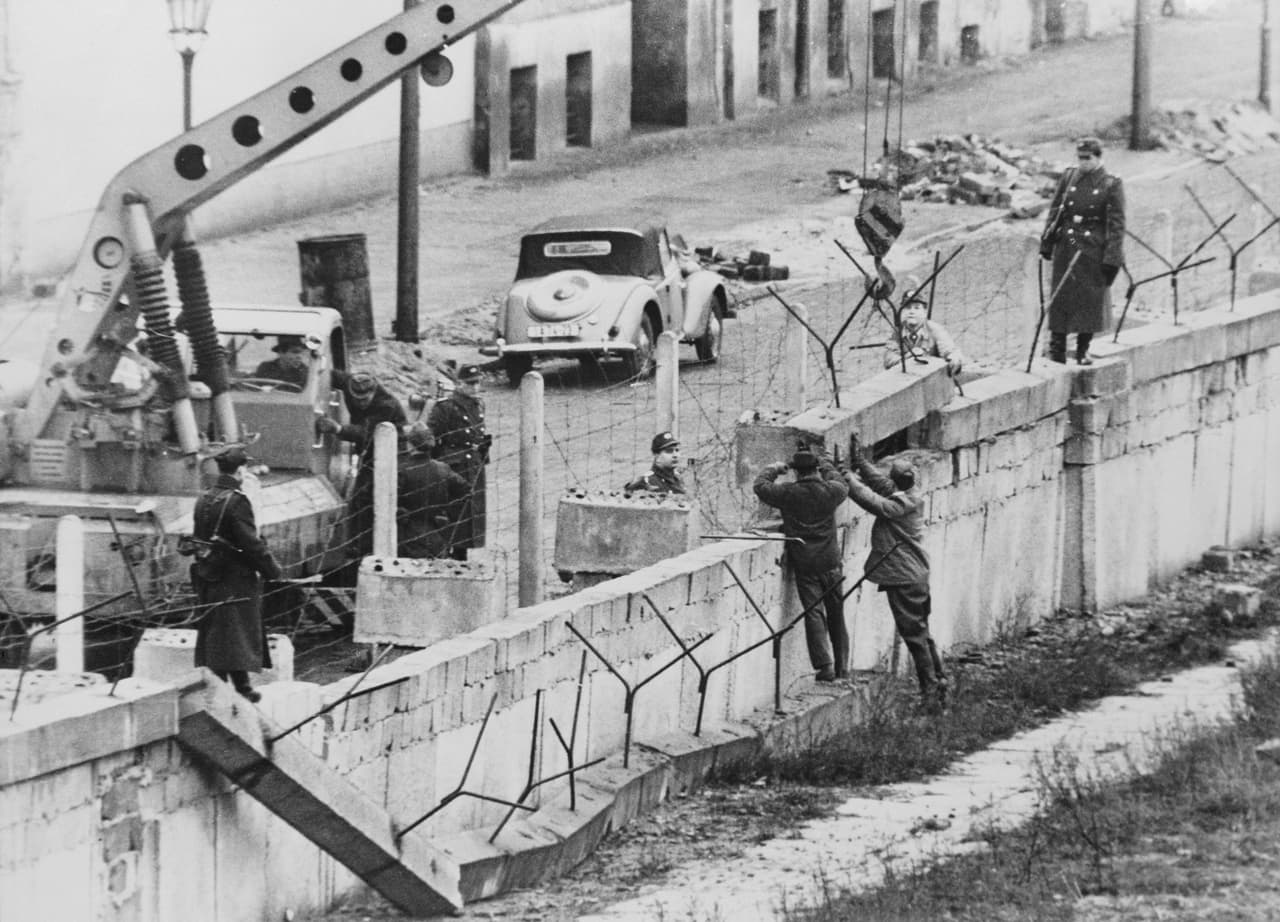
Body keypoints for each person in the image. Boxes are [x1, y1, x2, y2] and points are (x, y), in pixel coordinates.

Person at [842, 437, 946, 710]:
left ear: (897, 481)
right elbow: (881, 485)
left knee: (914, 636)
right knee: (921, 633)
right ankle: (939, 682)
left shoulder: (900, 505)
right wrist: (860, 462)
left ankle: (931, 694)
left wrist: (845, 477)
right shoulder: (909, 494)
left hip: (905, 577)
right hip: (914, 575)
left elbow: (872, 500)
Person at [189, 445, 281, 703]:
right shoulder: (238, 502)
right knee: (237, 633)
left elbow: (198, 537)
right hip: (235, 578)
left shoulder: (203, 499)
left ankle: (236, 685)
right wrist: (273, 571)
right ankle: (235, 689)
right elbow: (251, 545)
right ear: (240, 471)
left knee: (219, 632)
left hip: (209, 574)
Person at [753, 447, 852, 683]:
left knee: (814, 612)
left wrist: (774, 468)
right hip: (830, 560)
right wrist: (826, 464)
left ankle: (825, 667)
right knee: (836, 613)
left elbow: (760, 486)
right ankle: (842, 667)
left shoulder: (788, 493)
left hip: (805, 562)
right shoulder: (831, 491)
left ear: (796, 472)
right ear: (816, 469)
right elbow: (841, 482)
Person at [1039, 137, 1126, 366]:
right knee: (1061, 297)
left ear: (1098, 158)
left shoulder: (1111, 183)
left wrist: (1112, 257)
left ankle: (1082, 350)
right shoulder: (1069, 176)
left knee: (1090, 300)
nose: (1083, 162)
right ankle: (1056, 350)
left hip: (1092, 248)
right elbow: (1056, 210)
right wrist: (1047, 240)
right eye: (1080, 158)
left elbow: (1117, 225)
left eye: (1087, 158)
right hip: (1067, 245)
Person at [317, 371, 408, 559]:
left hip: (389, 452)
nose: (360, 403)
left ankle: (364, 549)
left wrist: (338, 428)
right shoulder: (349, 383)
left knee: (368, 497)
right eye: (356, 399)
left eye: (365, 399)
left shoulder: (386, 406)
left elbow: (366, 432)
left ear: (374, 392)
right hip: (368, 451)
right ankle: (357, 544)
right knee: (359, 497)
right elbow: (328, 371)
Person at [428, 363, 491, 559]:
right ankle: (449, 554)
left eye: (477, 382)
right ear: (459, 384)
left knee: (470, 513)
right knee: (453, 513)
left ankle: (461, 553)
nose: (475, 387)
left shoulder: (478, 404)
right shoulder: (446, 407)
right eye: (470, 383)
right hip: (454, 466)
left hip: (474, 465)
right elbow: (431, 438)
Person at [397, 422, 469, 558]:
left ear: (410, 445)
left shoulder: (401, 470)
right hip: (437, 535)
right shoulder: (443, 469)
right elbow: (466, 490)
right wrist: (447, 511)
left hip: (407, 537)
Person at [883, 295, 965, 374]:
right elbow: (889, 360)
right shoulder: (897, 332)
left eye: (916, 308)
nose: (911, 312)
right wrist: (908, 357)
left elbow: (949, 350)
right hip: (907, 378)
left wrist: (953, 358)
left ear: (924, 312)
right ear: (902, 311)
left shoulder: (934, 329)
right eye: (908, 308)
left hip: (933, 377)